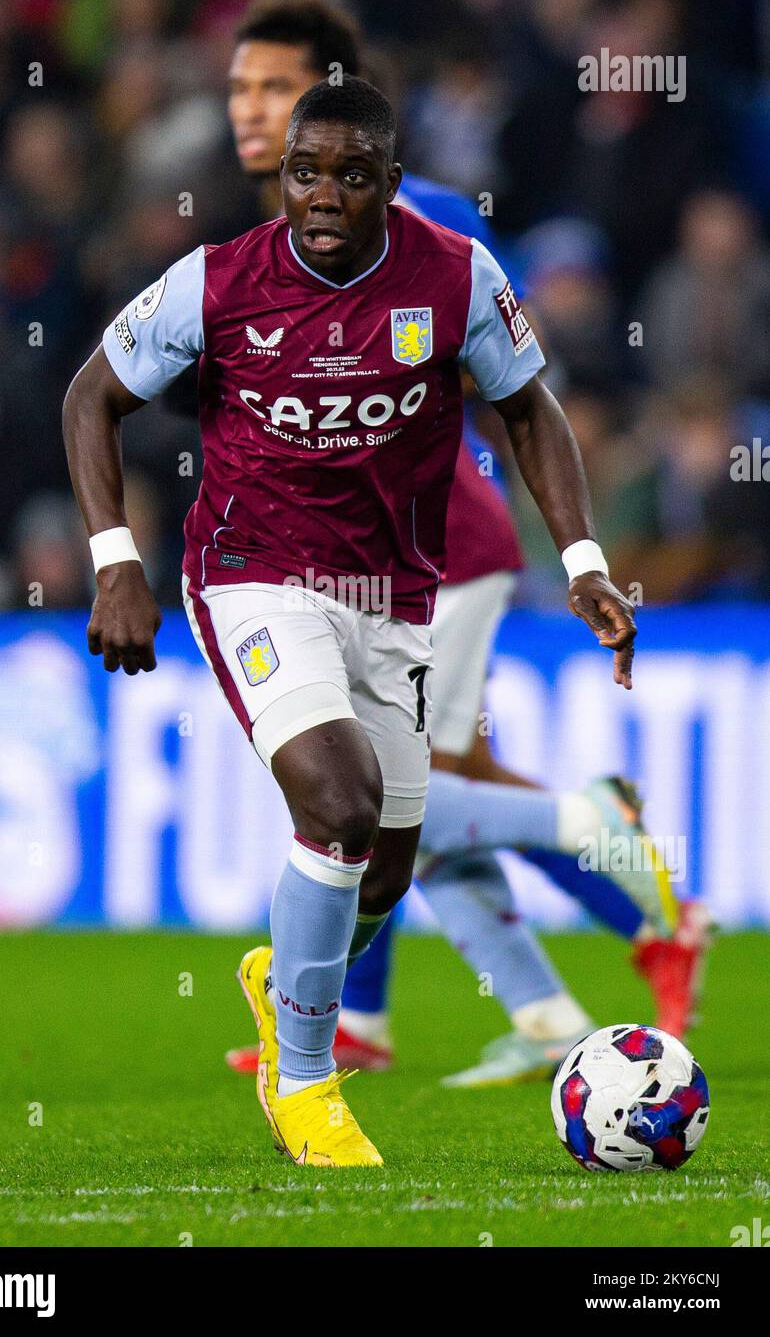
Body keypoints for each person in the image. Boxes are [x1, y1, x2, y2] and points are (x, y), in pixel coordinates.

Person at [63, 75, 637, 1166]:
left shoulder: (456, 278)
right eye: (302, 173)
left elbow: (525, 406)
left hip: (392, 595)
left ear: (390, 183)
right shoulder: (217, 282)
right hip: (250, 573)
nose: (321, 195)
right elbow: (91, 393)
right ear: (281, 178)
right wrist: (113, 563)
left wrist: (582, 560)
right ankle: (309, 1078)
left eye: (349, 175)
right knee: (337, 800)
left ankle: (284, 974)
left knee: (384, 863)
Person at [219, 0, 711, 1083]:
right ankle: (519, 1012)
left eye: (276, 86)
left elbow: (514, 368)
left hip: (437, 547)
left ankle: (589, 827)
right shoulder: (266, 240)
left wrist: (567, 540)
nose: (250, 108)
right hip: (344, 561)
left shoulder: (419, 211)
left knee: (393, 794)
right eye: (241, 87)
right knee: (410, 798)